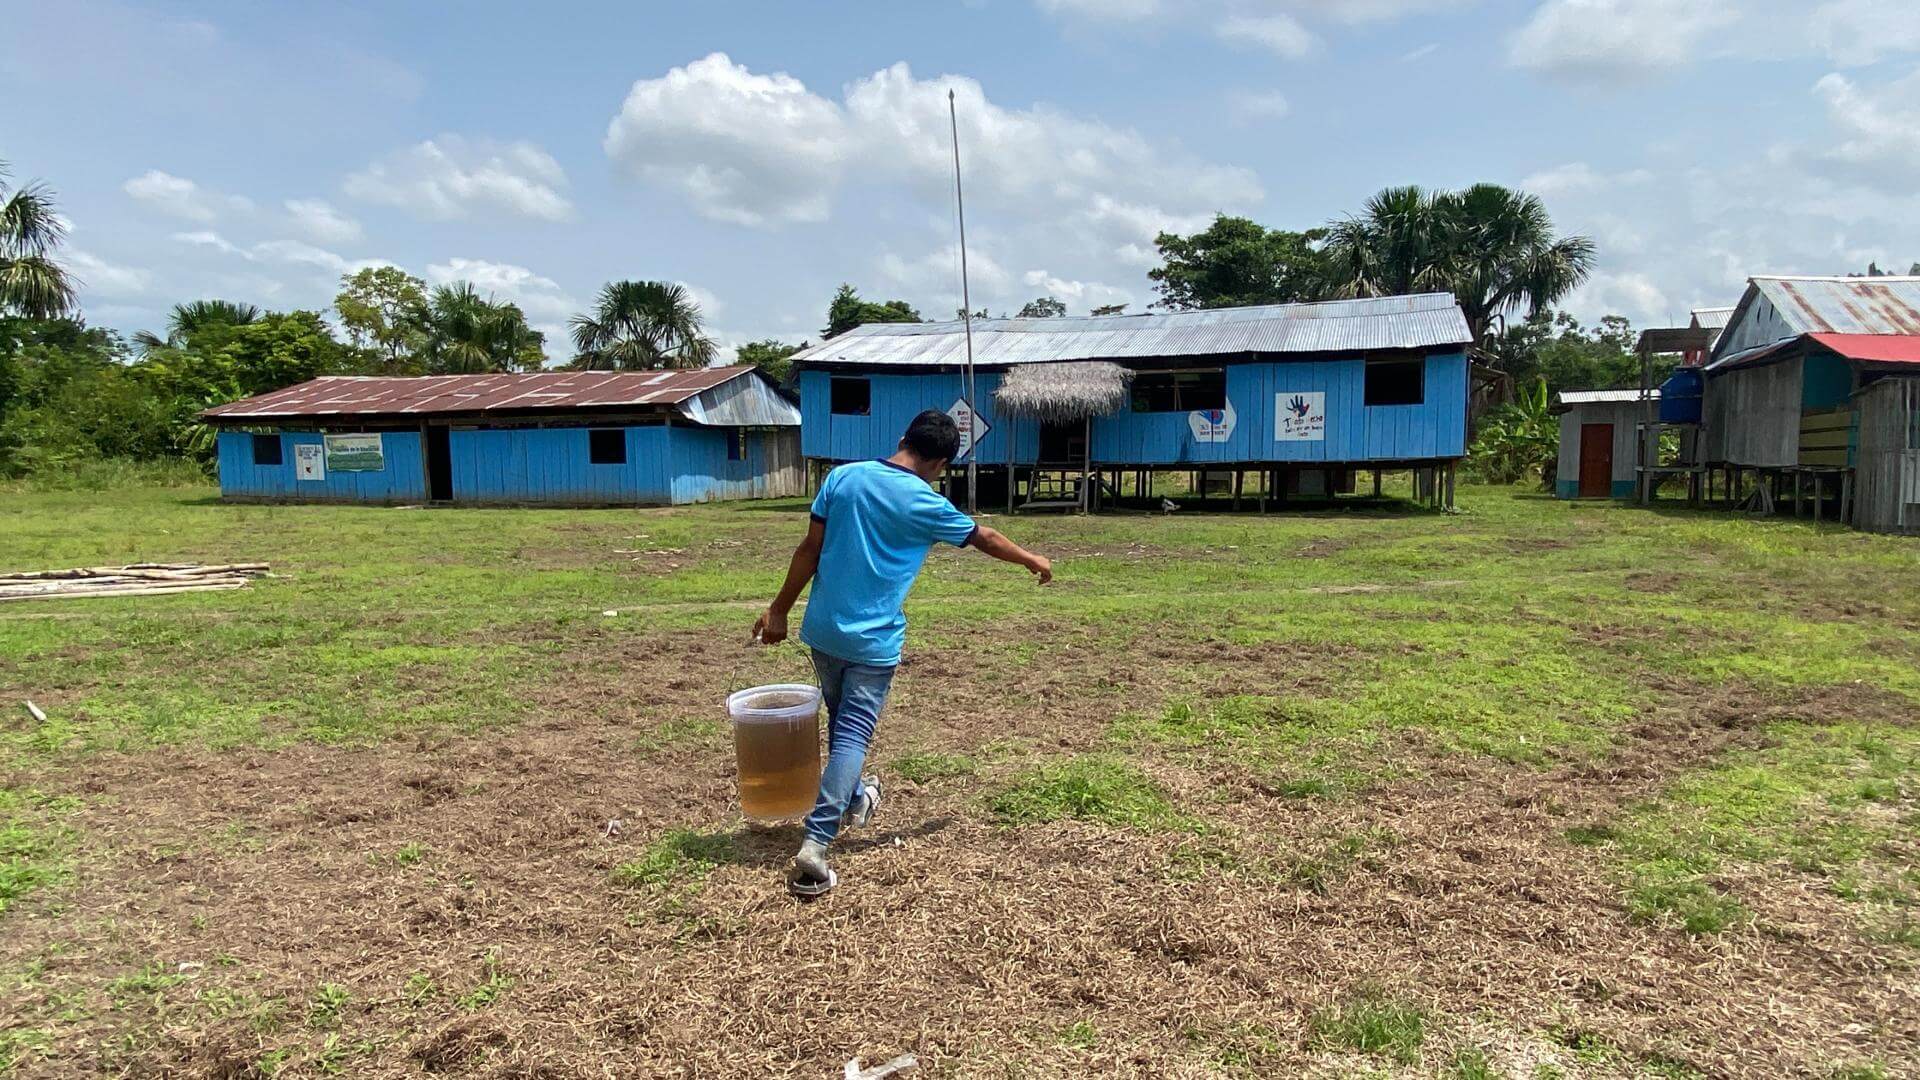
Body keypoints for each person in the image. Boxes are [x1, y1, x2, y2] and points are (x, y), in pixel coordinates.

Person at [754, 409, 1051, 896]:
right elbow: (986, 538)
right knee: (852, 735)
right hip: (873, 642)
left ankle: (856, 797)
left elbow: (809, 549)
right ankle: (816, 842)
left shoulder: (843, 478)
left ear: (901, 439)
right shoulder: (926, 503)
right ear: (940, 463)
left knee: (841, 723)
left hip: (824, 631)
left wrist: (779, 610)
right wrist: (1030, 559)